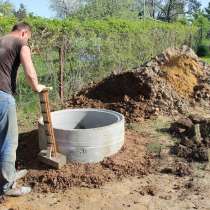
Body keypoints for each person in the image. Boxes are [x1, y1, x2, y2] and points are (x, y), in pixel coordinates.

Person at [0, 22, 46, 197]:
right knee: (8, 143)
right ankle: (7, 186)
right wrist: (37, 87)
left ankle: (8, 175)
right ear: (24, 32)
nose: (28, 41)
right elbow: (30, 72)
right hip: (2, 96)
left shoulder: (1, 40)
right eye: (28, 37)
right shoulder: (20, 43)